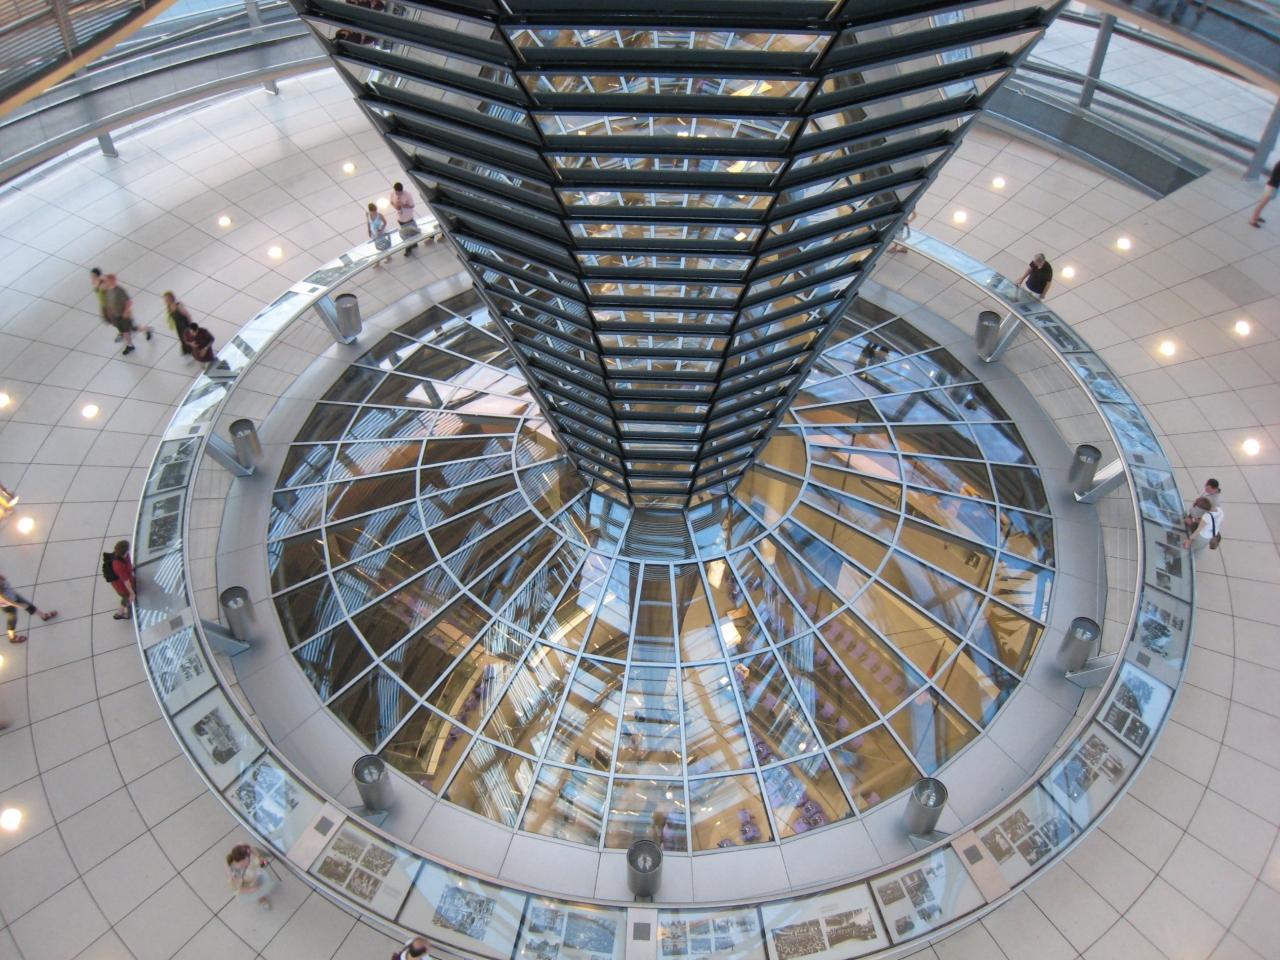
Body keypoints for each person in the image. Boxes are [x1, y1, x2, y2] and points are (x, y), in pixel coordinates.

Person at [103, 274, 153, 356]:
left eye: (108, 280)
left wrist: (125, 313)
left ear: (113, 280)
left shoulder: (119, 291)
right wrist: (110, 315)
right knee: (124, 330)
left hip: (124, 315)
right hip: (117, 316)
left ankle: (148, 329)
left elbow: (129, 302)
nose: (106, 282)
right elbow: (109, 304)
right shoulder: (108, 291)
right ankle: (130, 345)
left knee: (133, 328)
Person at [0, 573, 57, 644]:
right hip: (8, 606)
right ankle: (12, 637)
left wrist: (14, 593)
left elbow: (6, 582)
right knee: (12, 619)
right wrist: (19, 605)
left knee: (29, 605)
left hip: (14, 596)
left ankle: (44, 616)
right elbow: (6, 600)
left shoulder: (1, 578)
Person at [226, 843, 275, 910]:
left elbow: (250, 848)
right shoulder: (235, 875)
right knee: (258, 892)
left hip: (252, 873)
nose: (249, 859)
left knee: (260, 877)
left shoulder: (242, 852)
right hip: (248, 884)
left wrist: (259, 857)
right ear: (242, 861)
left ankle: (261, 893)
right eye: (248, 859)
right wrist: (254, 889)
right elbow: (238, 889)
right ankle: (262, 899)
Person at [105, 540, 136, 620]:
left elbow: (128, 563)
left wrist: (130, 567)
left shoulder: (122, 555)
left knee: (126, 598)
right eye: (128, 549)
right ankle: (120, 613)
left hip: (124, 582)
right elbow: (126, 581)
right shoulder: (118, 566)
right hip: (122, 587)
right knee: (127, 599)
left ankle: (121, 612)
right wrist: (131, 593)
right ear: (124, 551)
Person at [90, 268, 120, 342]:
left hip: (110, 306)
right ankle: (122, 330)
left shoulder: (104, 284)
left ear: (97, 275)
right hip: (104, 306)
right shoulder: (96, 282)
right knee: (111, 321)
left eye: (93, 276)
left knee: (116, 320)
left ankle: (124, 331)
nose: (92, 277)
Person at [390, 181, 419, 256]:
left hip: (408, 218)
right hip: (400, 218)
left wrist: (403, 205)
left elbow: (412, 205)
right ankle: (411, 245)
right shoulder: (392, 194)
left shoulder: (407, 195)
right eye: (397, 193)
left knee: (410, 233)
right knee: (406, 234)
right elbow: (391, 202)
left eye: (400, 193)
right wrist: (396, 206)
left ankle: (410, 247)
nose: (398, 194)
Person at [1249, 159, 1280, 228]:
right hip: (1271, 187)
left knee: (1262, 204)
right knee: (1261, 204)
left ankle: (1257, 217)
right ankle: (1252, 220)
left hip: (1271, 186)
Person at [163, 292, 195, 357]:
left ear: (171, 298)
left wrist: (191, 325)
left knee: (188, 337)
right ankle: (188, 350)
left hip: (185, 325)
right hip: (178, 326)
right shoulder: (169, 307)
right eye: (165, 299)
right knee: (182, 338)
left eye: (166, 299)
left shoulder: (178, 305)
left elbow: (187, 315)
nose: (165, 301)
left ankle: (194, 350)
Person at [367, 201, 391, 265]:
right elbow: (368, 223)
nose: (374, 212)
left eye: (375, 210)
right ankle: (379, 260)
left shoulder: (379, 215)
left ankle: (387, 257)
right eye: (373, 211)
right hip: (374, 233)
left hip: (381, 233)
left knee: (382, 246)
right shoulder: (368, 215)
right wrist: (369, 231)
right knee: (377, 247)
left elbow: (385, 223)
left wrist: (381, 230)